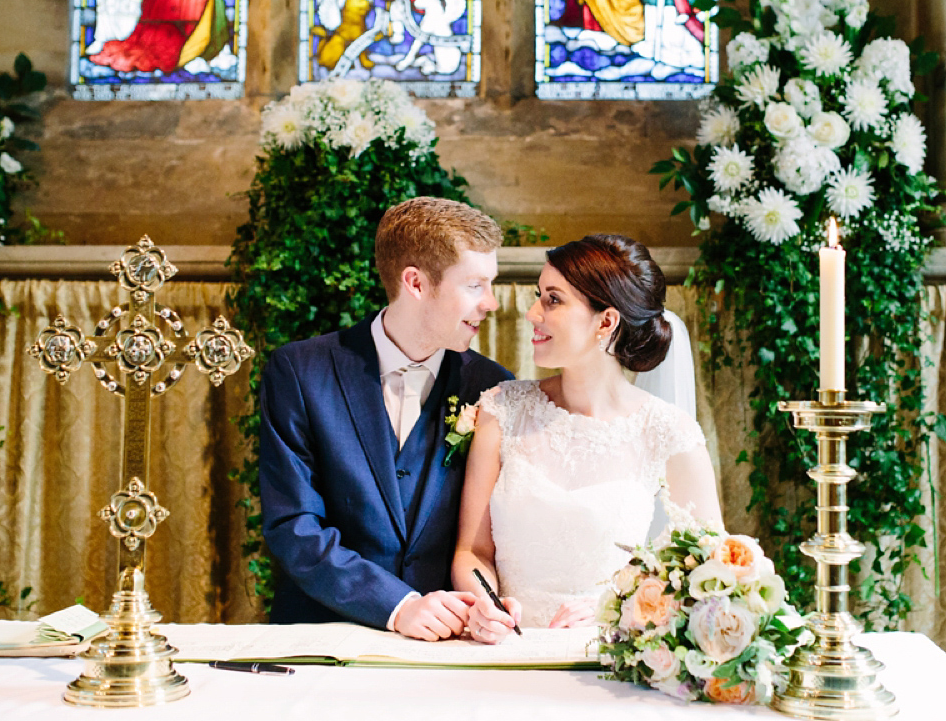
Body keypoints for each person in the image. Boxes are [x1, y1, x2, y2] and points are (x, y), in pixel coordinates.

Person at [260, 197, 513, 641]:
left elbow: (485, 541)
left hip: (447, 644)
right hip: (323, 637)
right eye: (475, 285)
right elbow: (293, 525)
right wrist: (398, 606)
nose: (491, 303)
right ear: (415, 283)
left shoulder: (493, 387)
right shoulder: (300, 371)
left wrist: (486, 608)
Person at [451, 234, 722, 642]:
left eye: (553, 300)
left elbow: (713, 572)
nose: (532, 313)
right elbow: (472, 552)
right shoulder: (502, 408)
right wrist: (486, 603)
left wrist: (618, 608)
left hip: (609, 656)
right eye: (539, 295)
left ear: (606, 321)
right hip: (506, 647)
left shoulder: (669, 432)